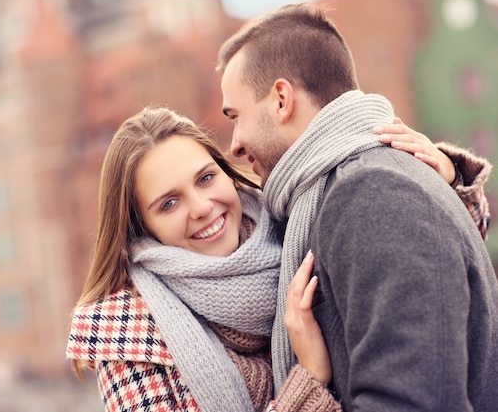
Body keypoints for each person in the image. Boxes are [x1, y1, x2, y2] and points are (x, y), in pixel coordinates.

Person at [66, 106, 491, 411]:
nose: (201, 207)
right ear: (144, 228)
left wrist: (442, 184)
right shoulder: (131, 339)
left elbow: (435, 275)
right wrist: (306, 379)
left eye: (206, 178)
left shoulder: (295, 226)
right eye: (169, 203)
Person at [216, 2, 497, 411]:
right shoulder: (349, 190)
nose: (235, 143)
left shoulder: (370, 193)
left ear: (281, 98)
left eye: (235, 116)